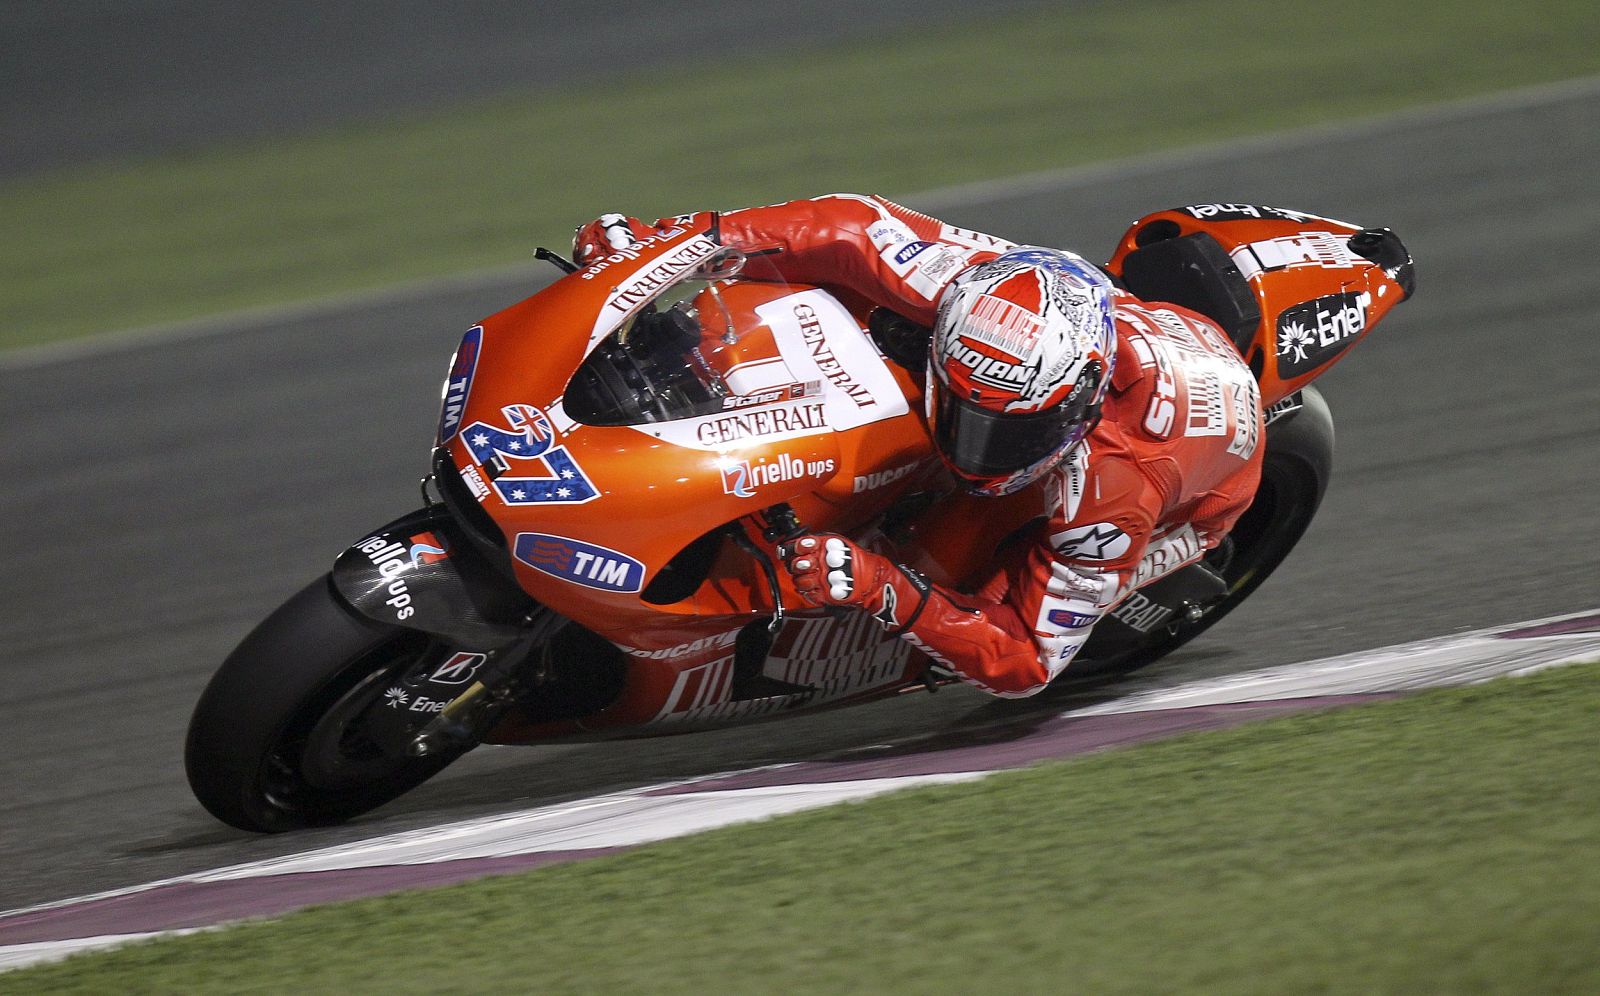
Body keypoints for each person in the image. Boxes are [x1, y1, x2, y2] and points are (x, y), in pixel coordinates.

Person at [573, 194, 1263, 697]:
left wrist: (882, 588)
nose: (976, 448)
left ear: (1075, 406)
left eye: (1009, 433)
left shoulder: (1118, 486)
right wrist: (671, 244)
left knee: (952, 556)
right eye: (965, 412)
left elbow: (1026, 660)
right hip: (1110, 333)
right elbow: (846, 225)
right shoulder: (976, 284)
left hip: (1206, 491)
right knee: (837, 292)